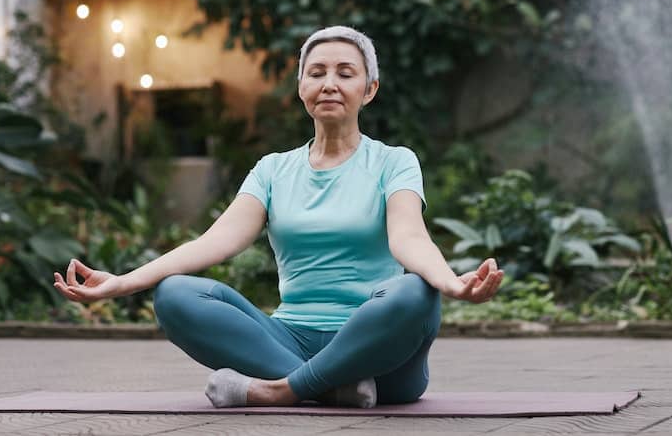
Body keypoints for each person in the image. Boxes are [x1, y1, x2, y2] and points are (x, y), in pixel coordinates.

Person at [52, 25, 504, 409]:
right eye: (317, 72)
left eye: (346, 74)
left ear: (369, 90)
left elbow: (408, 238)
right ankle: (331, 388)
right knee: (174, 295)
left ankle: (278, 391)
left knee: (415, 293)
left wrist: (450, 283)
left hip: (381, 357)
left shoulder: (394, 161)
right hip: (287, 339)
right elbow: (215, 243)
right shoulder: (273, 169)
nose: (329, 83)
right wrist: (123, 282)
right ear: (301, 86)